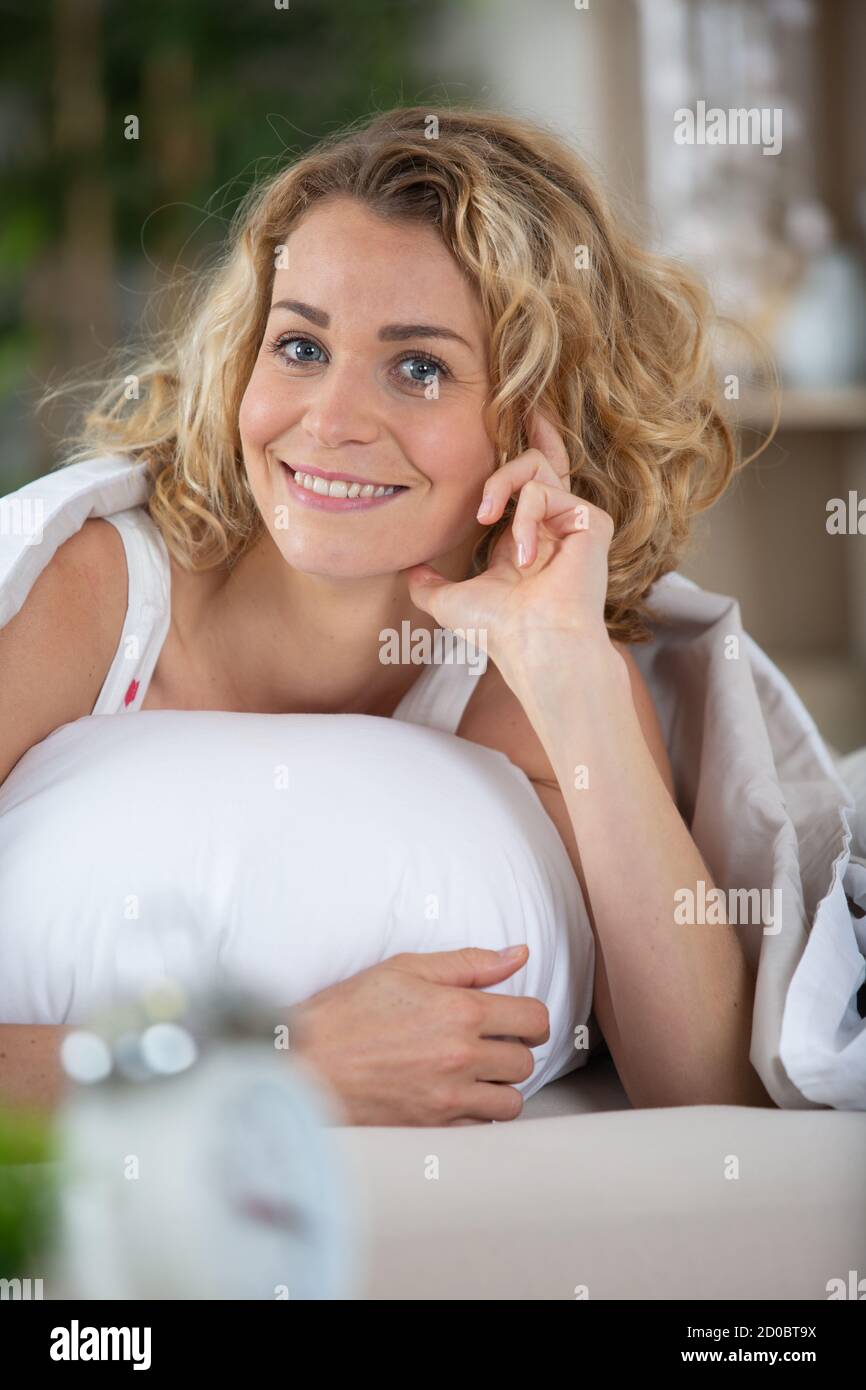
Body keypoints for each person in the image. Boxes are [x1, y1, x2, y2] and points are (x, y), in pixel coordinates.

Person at [0, 104, 774, 1123]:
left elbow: (704, 1087)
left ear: (538, 418)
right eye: (301, 347)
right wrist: (281, 1063)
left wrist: (567, 664)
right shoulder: (89, 596)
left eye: (418, 367)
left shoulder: (532, 687)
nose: (328, 424)